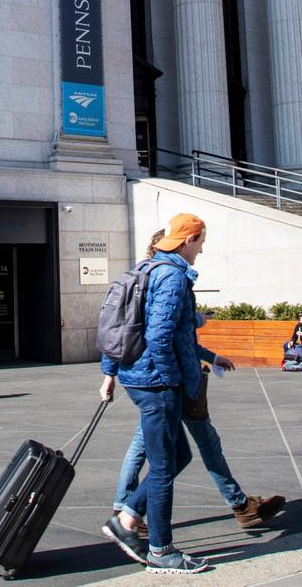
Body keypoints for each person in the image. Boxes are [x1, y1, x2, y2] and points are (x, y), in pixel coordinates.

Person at [97, 212, 227, 575]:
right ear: (189, 240)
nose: (201, 250)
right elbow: (159, 335)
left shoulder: (149, 268)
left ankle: (126, 517)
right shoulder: (172, 276)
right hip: (156, 383)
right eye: (200, 242)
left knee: (178, 455)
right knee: (164, 464)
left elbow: (125, 324)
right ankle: (159, 549)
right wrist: (172, 380)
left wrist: (110, 373)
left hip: (141, 377)